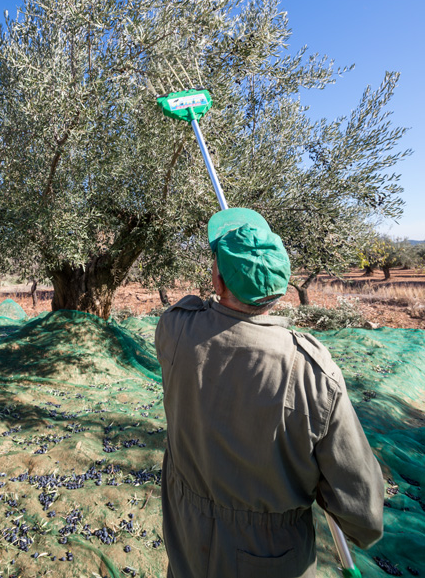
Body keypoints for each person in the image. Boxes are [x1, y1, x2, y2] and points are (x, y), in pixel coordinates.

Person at [155, 208, 384, 578]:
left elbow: (191, 308)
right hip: (272, 559)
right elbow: (364, 513)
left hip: (187, 542)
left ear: (217, 281)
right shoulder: (314, 373)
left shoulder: (176, 332)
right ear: (280, 284)